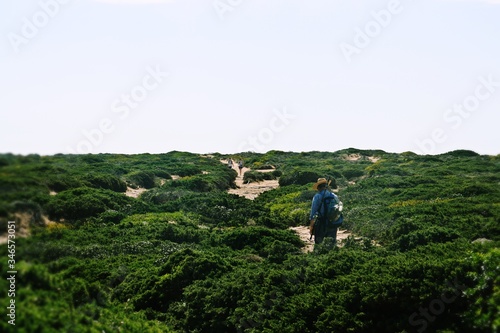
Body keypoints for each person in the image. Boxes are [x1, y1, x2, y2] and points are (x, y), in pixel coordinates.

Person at [308, 178, 342, 247]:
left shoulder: (317, 197)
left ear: (318, 187)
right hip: (332, 223)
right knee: (331, 244)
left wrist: (311, 226)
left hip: (321, 224)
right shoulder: (334, 196)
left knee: (319, 245)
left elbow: (313, 213)